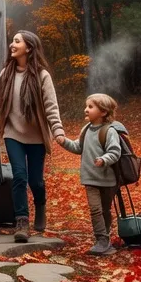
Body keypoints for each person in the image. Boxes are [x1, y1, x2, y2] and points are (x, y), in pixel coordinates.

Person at [0, 30, 66, 243]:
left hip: (37, 136)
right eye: (12, 40)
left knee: (35, 181)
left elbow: (51, 106)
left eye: (17, 41)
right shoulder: (6, 74)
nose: (12, 44)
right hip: (13, 134)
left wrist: (57, 130)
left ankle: (40, 204)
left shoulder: (42, 76)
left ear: (28, 48)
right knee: (19, 177)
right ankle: (21, 221)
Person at [56, 93, 124, 255]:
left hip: (108, 180)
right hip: (90, 179)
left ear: (103, 112)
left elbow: (115, 152)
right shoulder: (86, 130)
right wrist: (65, 142)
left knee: (105, 210)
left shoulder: (109, 131)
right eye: (86, 106)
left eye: (91, 107)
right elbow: (78, 148)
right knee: (95, 210)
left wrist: (104, 159)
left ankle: (105, 239)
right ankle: (101, 240)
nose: (86, 110)